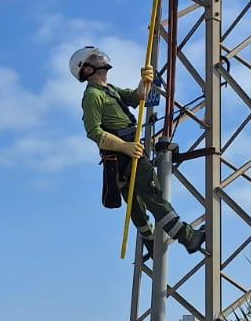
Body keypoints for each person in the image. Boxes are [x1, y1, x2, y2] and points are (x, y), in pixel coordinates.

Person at [72, 46, 205, 254]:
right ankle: (188, 237)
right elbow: (94, 132)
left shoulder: (110, 89)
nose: (100, 59)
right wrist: (124, 146)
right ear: (87, 69)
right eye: (94, 58)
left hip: (128, 151)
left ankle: (150, 240)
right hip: (124, 155)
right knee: (153, 195)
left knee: (137, 203)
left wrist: (145, 81)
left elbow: (136, 98)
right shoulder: (92, 96)